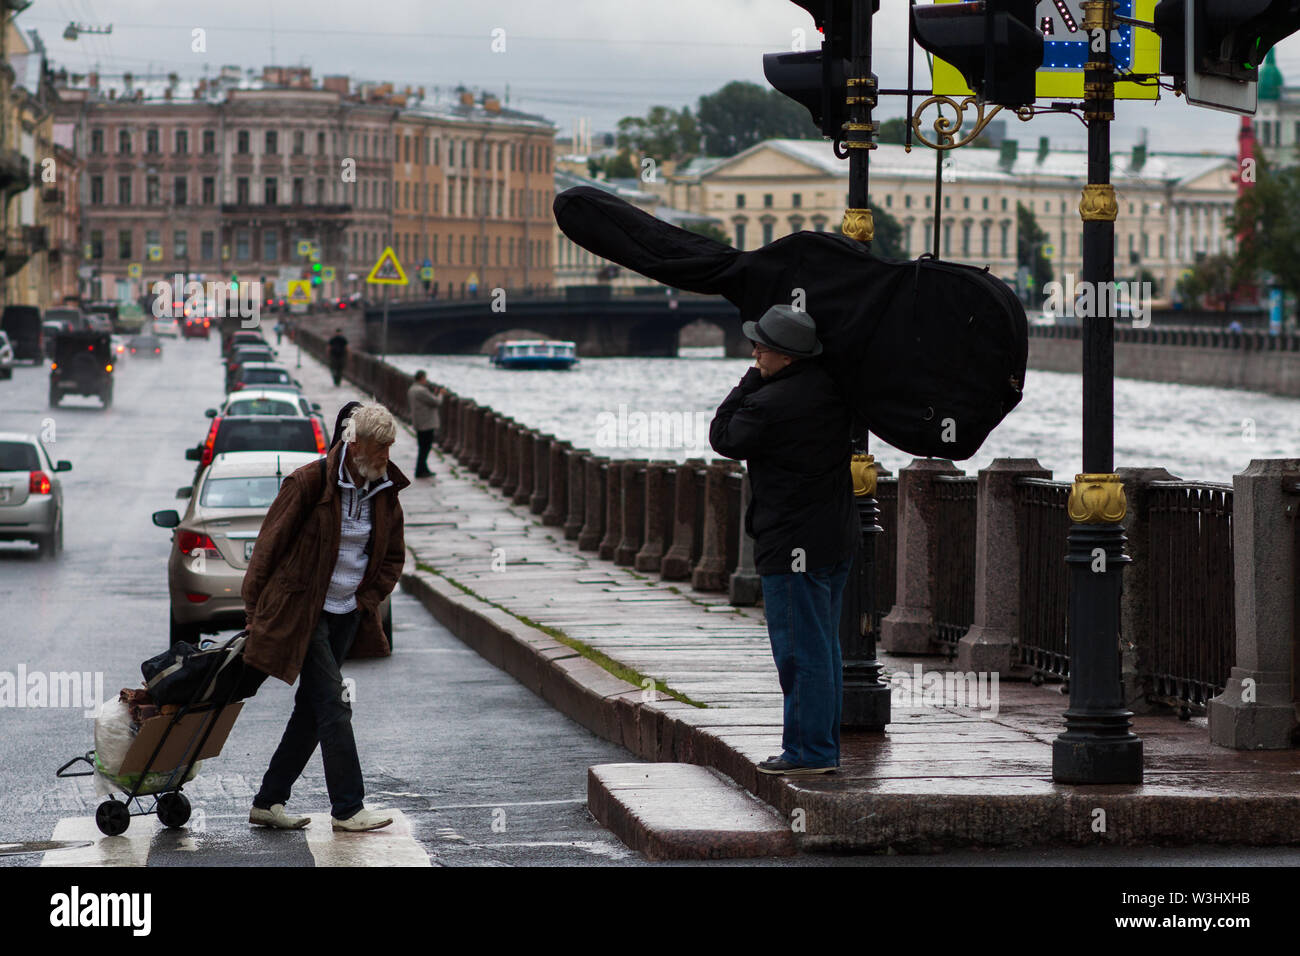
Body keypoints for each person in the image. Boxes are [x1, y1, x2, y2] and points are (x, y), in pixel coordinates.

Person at [242, 401, 409, 831]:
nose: (387, 456)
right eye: (380, 448)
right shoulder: (308, 483)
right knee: (334, 704)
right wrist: (254, 613)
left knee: (312, 710)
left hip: (347, 613)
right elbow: (267, 550)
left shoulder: (385, 491)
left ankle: (268, 800)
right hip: (302, 611)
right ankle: (349, 809)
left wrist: (365, 599)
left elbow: (392, 556)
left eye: (390, 447)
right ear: (354, 445)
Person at [709, 304, 858, 776]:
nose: (755, 351)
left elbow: (723, 437)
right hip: (835, 538)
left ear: (788, 357)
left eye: (762, 347)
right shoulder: (834, 390)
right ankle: (818, 746)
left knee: (799, 653)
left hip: (793, 544)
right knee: (825, 649)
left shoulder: (769, 404)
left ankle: (809, 753)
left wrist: (749, 381)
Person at [407, 370, 441, 478]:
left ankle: (423, 468)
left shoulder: (412, 389)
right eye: (425, 378)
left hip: (419, 422)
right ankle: (420, 470)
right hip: (426, 424)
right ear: (421, 378)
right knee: (425, 447)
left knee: (422, 447)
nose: (426, 381)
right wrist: (440, 394)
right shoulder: (421, 390)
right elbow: (436, 402)